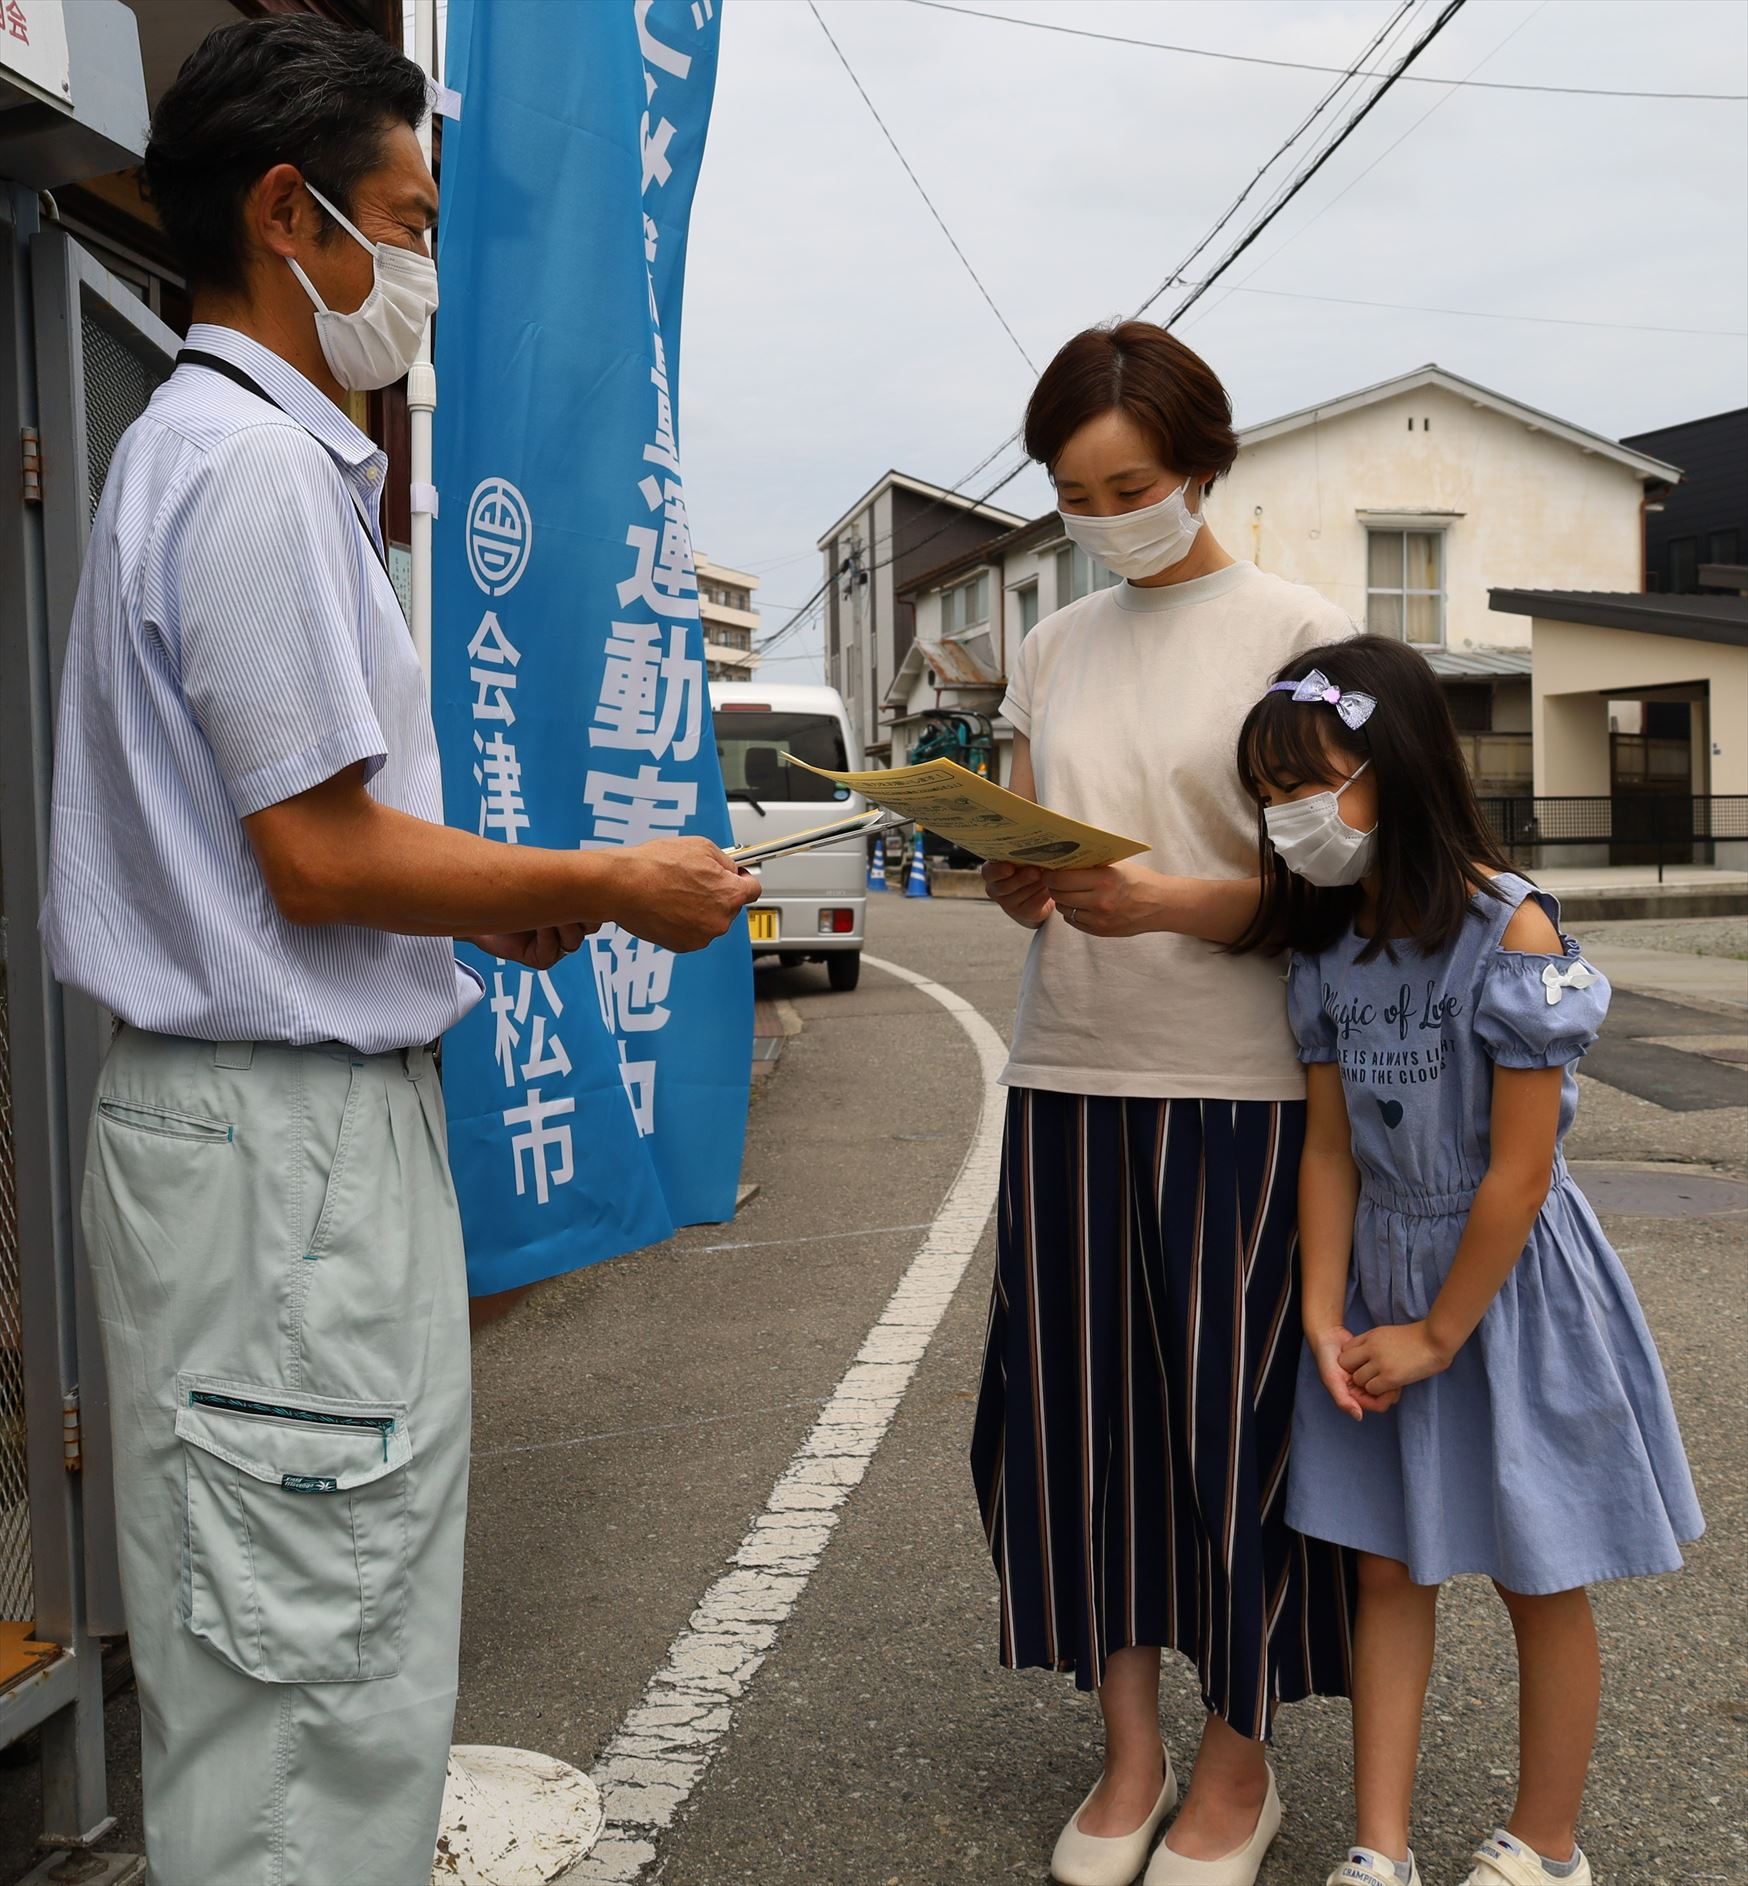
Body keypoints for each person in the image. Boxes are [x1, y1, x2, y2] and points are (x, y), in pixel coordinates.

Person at [39, 19, 756, 1885]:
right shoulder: (255, 471)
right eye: (406, 218)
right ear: (290, 215)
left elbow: (309, 841)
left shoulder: (223, 452)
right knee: (305, 1686)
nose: (421, 270)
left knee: (310, 1650)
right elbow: (315, 848)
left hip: (273, 1135)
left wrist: (499, 895)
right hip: (280, 1148)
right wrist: (597, 884)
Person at [973, 321, 1358, 1886]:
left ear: (1202, 462)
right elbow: (1041, 869)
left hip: (1247, 1093)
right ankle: (1127, 1752)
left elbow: (1339, 888)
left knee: (1236, 1430)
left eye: (1130, 483)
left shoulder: (1302, 629)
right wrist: (1020, 879)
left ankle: (1238, 1758)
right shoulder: (1054, 645)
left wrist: (1174, 906)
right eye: (1074, 492)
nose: (1105, 512)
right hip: (1067, 1074)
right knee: (1079, 1432)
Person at [1233, 635, 1703, 1886]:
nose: (1289, 816)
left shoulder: (1512, 924)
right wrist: (1326, 1314)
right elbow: (1327, 1150)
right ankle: (1374, 1845)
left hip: (1504, 1287)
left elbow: (1519, 1168)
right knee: (1385, 1567)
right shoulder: (1324, 946)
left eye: (1312, 782)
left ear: (1396, 767)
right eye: (1269, 792)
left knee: (1539, 1567)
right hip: (1378, 1278)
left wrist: (1438, 1331)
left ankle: (1545, 1844)